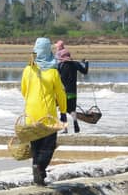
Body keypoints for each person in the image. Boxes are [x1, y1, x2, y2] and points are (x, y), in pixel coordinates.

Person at [22, 37, 68, 185]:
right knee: (48, 146)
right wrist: (63, 111)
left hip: (31, 115)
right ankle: (40, 168)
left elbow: (24, 91)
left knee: (36, 147)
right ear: (49, 51)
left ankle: (38, 178)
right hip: (47, 116)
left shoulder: (28, 69)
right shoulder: (53, 72)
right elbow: (60, 94)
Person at [53, 40, 91, 134]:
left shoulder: (60, 66)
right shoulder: (75, 64)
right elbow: (85, 72)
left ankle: (65, 129)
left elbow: (55, 78)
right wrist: (86, 63)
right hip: (73, 92)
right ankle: (75, 125)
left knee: (63, 110)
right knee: (72, 110)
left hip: (63, 91)